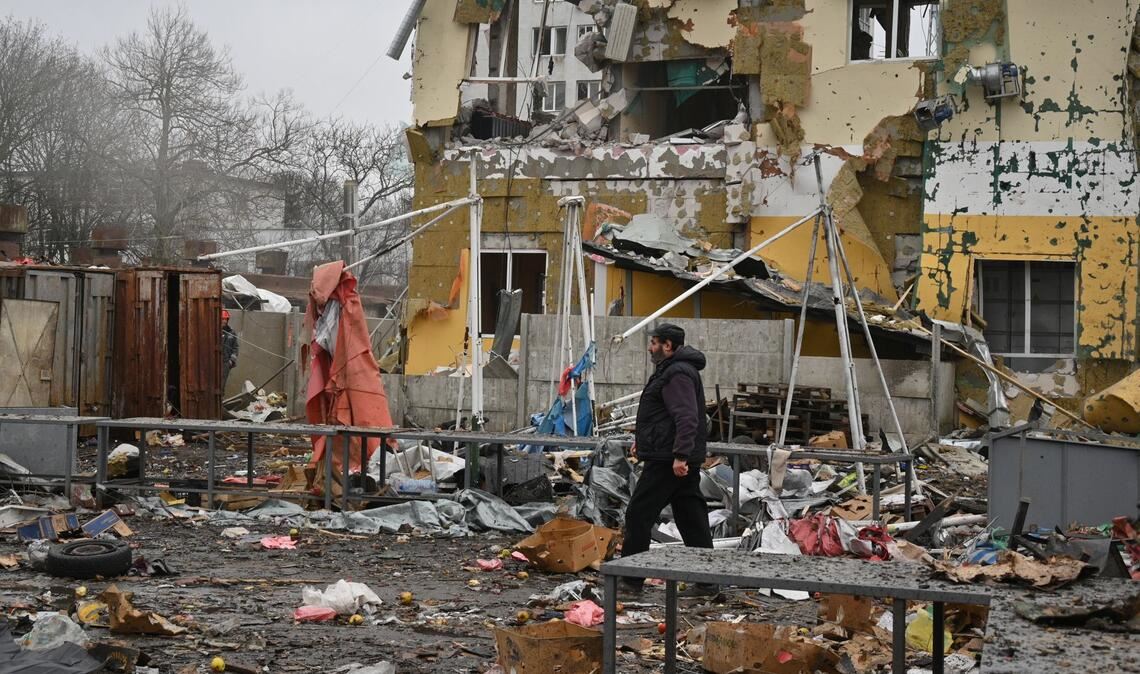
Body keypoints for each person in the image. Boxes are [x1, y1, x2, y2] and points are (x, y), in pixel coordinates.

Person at [621, 322, 715, 594]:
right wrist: (644, 443)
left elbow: (686, 417)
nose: (650, 348)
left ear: (668, 345)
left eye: (654, 343)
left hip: (668, 461)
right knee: (692, 520)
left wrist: (680, 455)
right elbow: (661, 416)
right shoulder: (672, 371)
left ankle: (630, 578)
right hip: (669, 456)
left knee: (638, 514)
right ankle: (708, 581)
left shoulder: (677, 374)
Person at [221, 309, 239, 387]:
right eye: (222, 319)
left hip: (225, 363)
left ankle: (221, 398)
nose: (224, 321)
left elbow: (235, 347)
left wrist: (231, 360)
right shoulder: (212, 331)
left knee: (222, 385)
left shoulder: (231, 332)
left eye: (225, 319)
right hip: (213, 363)